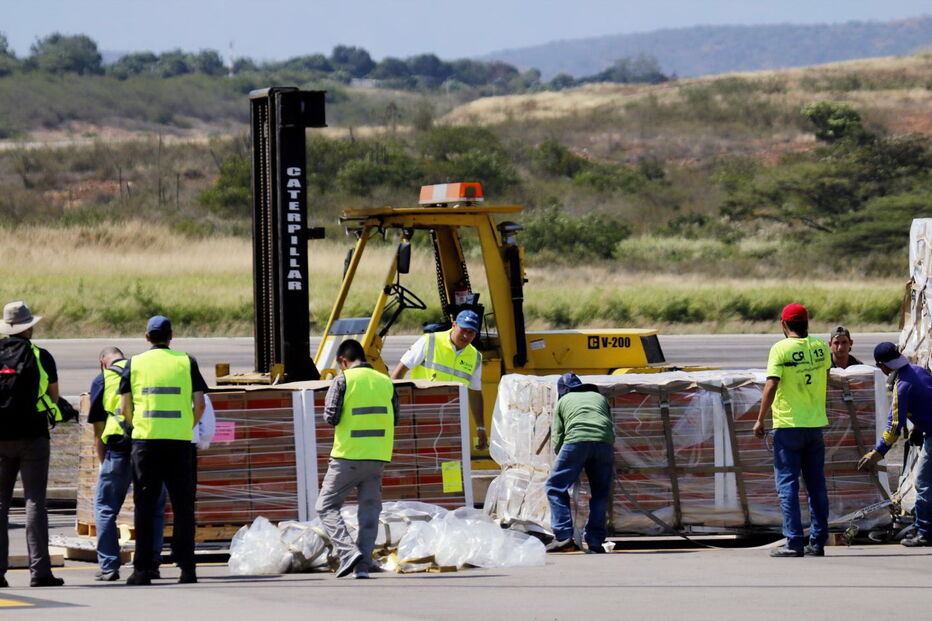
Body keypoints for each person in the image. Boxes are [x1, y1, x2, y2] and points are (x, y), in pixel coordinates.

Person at [120, 316, 206, 585]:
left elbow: (125, 407)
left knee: (145, 507)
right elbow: (200, 404)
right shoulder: (185, 361)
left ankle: (143, 569)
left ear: (147, 337)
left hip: (146, 443)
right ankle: (187, 568)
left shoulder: (134, 363)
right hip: (179, 444)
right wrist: (184, 427)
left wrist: (138, 428)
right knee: (183, 507)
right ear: (171, 336)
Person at [753, 303, 831, 557]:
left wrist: (760, 419)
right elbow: (825, 375)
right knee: (816, 485)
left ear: (783, 324)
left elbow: (771, 386)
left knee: (787, 484)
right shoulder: (820, 347)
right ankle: (818, 542)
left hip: (788, 425)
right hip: (815, 424)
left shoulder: (780, 349)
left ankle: (794, 541)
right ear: (807, 323)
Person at [317, 339, 399, 579]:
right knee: (369, 511)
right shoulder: (386, 381)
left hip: (348, 455)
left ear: (343, 361)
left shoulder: (343, 379)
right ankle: (362, 565)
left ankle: (347, 552)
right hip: (378, 456)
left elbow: (330, 417)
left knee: (326, 506)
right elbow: (395, 418)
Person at [87, 346, 165, 582]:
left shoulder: (103, 379)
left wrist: (103, 462)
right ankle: (151, 564)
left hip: (119, 449)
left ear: (103, 363)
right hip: (150, 447)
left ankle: (109, 566)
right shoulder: (142, 371)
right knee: (153, 507)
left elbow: (98, 430)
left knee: (105, 508)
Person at [0, 301, 64, 587]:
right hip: (34, 436)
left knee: (1, 503)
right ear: (29, 327)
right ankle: (40, 571)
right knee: (34, 501)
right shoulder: (41, 355)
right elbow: (53, 395)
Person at [857, 342, 932, 547]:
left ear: (883, 366)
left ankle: (925, 532)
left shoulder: (902, 386)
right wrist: (918, 427)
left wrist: (878, 452)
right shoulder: (919, 371)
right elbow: (926, 399)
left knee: (924, 484)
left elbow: (894, 426)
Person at [390, 310, 487, 450]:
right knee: (423, 457)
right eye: (463, 330)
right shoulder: (429, 341)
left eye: (471, 332)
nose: (466, 336)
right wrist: (393, 409)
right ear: (454, 325)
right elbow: (399, 372)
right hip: (421, 416)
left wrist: (480, 426)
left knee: (450, 465)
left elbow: (475, 393)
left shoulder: (475, 357)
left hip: (451, 423)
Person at [544, 372, 615, 554]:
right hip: (604, 443)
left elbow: (558, 437)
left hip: (576, 442)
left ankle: (563, 537)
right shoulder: (600, 397)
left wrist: (566, 461)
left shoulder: (563, 402)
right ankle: (595, 541)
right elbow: (608, 424)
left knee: (555, 486)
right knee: (600, 492)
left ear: (563, 391)